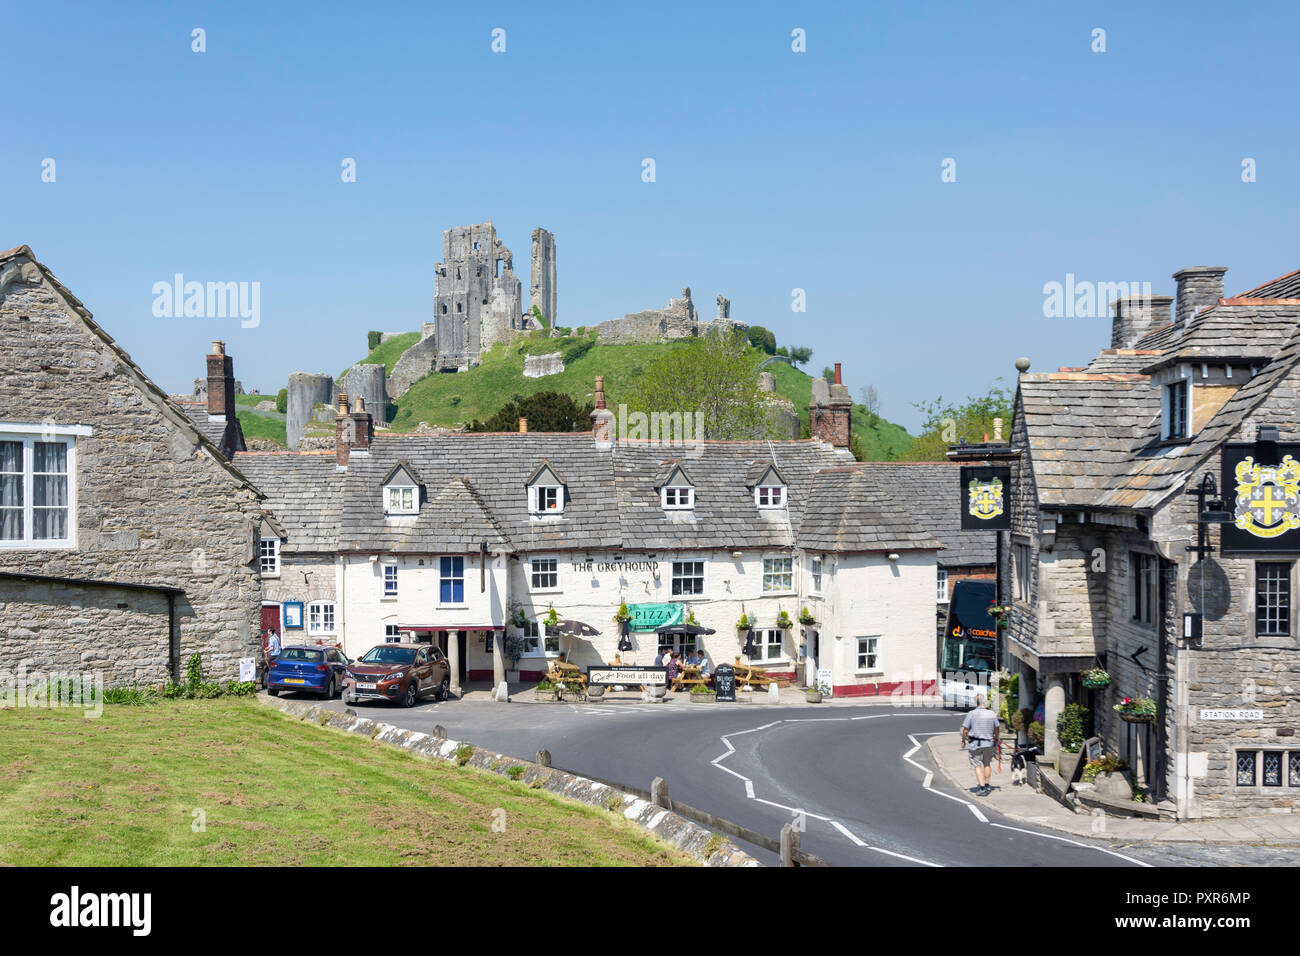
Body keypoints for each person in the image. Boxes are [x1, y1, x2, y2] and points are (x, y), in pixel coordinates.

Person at [960, 694, 1000, 796]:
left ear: (976, 703)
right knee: (987, 764)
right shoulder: (992, 713)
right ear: (984, 702)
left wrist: (963, 740)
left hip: (975, 744)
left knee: (977, 765)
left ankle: (982, 788)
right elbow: (997, 727)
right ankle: (987, 785)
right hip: (989, 743)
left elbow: (965, 730)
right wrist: (996, 736)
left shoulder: (971, 713)